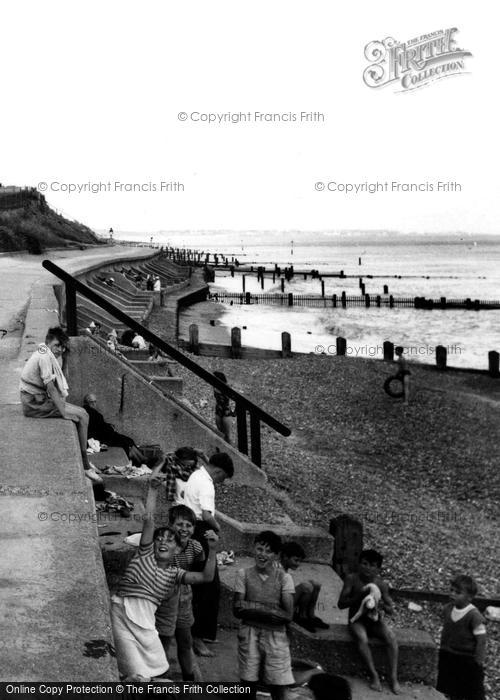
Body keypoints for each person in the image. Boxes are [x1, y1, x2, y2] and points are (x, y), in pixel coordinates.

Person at [110, 479, 219, 681]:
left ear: (177, 549)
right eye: (160, 538)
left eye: (169, 540)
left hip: (158, 615)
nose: (163, 542)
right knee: (140, 670)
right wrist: (152, 490)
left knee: (165, 663)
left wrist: (212, 549)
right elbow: (149, 520)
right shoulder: (145, 554)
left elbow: (206, 577)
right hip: (126, 616)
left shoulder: (177, 570)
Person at [19, 327, 102, 483]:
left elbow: (60, 379)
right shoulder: (44, 357)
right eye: (57, 345)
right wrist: (63, 412)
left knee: (84, 413)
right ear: (48, 342)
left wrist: (65, 359)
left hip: (36, 399)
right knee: (83, 416)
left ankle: (85, 461)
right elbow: (50, 387)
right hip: (34, 403)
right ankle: (84, 465)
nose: (59, 349)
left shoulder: (44, 351)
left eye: (62, 347)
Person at [181, 452, 234, 657]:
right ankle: (199, 637)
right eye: (223, 478)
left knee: (201, 587)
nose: (221, 482)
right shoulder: (207, 483)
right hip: (200, 532)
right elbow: (206, 515)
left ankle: (201, 635)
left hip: (191, 531)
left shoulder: (196, 475)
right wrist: (218, 527)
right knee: (209, 587)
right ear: (219, 471)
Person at [233, 531, 295, 700]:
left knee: (278, 684)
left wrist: (251, 607)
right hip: (249, 633)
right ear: (254, 549)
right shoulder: (243, 574)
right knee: (247, 683)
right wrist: (271, 610)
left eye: (268, 552)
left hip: (276, 637)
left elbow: (287, 615)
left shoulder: (284, 578)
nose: (262, 554)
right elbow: (237, 609)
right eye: (260, 549)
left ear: (276, 555)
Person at [337, 549, 400, 694]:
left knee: (391, 637)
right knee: (362, 638)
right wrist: (359, 596)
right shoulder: (351, 579)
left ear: (378, 569)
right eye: (364, 563)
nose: (368, 568)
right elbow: (341, 604)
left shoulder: (381, 584)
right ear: (359, 564)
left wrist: (382, 605)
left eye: (372, 565)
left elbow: (391, 609)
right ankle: (374, 675)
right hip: (356, 620)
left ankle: (393, 677)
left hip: (374, 621)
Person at [156, 505, 205, 681]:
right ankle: (160, 680)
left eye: (189, 525)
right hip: (165, 599)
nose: (184, 529)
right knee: (163, 641)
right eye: (180, 524)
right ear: (170, 525)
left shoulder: (196, 547)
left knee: (185, 641)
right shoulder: (163, 544)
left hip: (184, 598)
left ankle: (188, 681)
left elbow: (199, 569)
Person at [436, 574, 486, 700]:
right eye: (451, 590)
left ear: (469, 597)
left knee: (472, 689)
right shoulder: (448, 609)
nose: (452, 594)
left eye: (458, 592)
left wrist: (478, 661)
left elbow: (481, 640)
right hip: (448, 653)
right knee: (447, 686)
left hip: (466, 658)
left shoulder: (473, 615)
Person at [83, 393, 147, 466]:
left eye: (95, 401)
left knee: (128, 441)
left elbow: (100, 425)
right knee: (126, 442)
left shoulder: (87, 411)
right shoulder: (92, 413)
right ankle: (141, 460)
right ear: (89, 402)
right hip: (101, 437)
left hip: (102, 434)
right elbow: (100, 427)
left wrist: (109, 426)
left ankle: (142, 459)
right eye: (92, 402)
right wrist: (111, 428)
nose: (94, 404)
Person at [280, 541, 329, 633]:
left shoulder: (285, 569)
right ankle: (302, 617)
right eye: (296, 560)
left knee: (315, 584)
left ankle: (311, 615)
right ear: (285, 557)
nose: (298, 564)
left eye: (299, 561)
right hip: (281, 605)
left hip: (287, 599)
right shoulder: (278, 570)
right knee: (306, 587)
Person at [213, 371, 234, 443]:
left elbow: (236, 398)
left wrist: (235, 412)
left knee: (228, 435)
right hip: (218, 410)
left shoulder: (226, 387)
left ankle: (231, 450)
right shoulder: (214, 386)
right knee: (220, 433)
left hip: (226, 412)